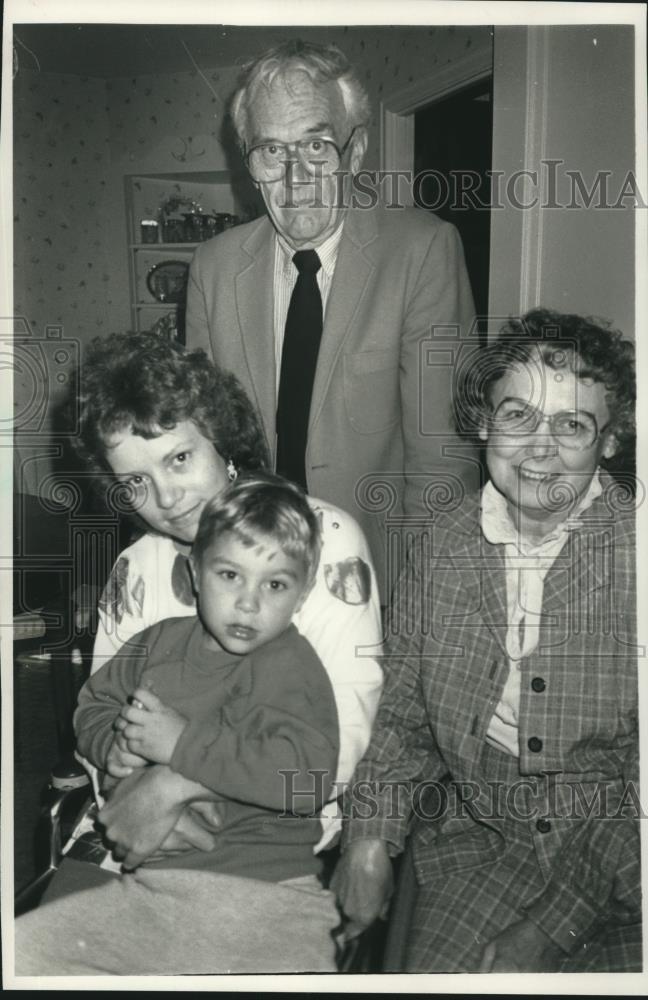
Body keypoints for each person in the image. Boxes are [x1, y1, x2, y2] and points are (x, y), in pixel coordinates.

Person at [332, 308, 640, 973]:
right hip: (485, 835)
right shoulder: (443, 544)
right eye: (518, 415)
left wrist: (550, 928)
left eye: (572, 425)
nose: (539, 447)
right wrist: (369, 840)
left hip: (622, 851)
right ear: (482, 423)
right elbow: (403, 713)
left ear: (609, 441)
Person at [69, 331, 382, 867]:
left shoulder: (322, 541)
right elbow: (103, 715)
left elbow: (343, 752)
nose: (167, 498)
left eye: (180, 458)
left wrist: (173, 786)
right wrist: (127, 779)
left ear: (220, 439)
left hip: (274, 830)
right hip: (138, 821)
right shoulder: (136, 569)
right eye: (136, 481)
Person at [16, 474, 343, 974]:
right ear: (194, 572)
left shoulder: (291, 667)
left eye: (275, 584)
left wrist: (181, 744)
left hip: (266, 899)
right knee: (22, 949)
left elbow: (307, 780)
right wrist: (111, 746)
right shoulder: (157, 642)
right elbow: (94, 705)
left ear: (302, 595)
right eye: (229, 575)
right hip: (152, 891)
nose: (249, 602)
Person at [185, 39, 476, 597]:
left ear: (357, 148)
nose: (294, 178)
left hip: (376, 571)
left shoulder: (422, 252)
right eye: (271, 151)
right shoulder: (212, 267)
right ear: (249, 162)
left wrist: (423, 599)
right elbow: (203, 444)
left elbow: (442, 457)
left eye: (316, 146)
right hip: (248, 575)